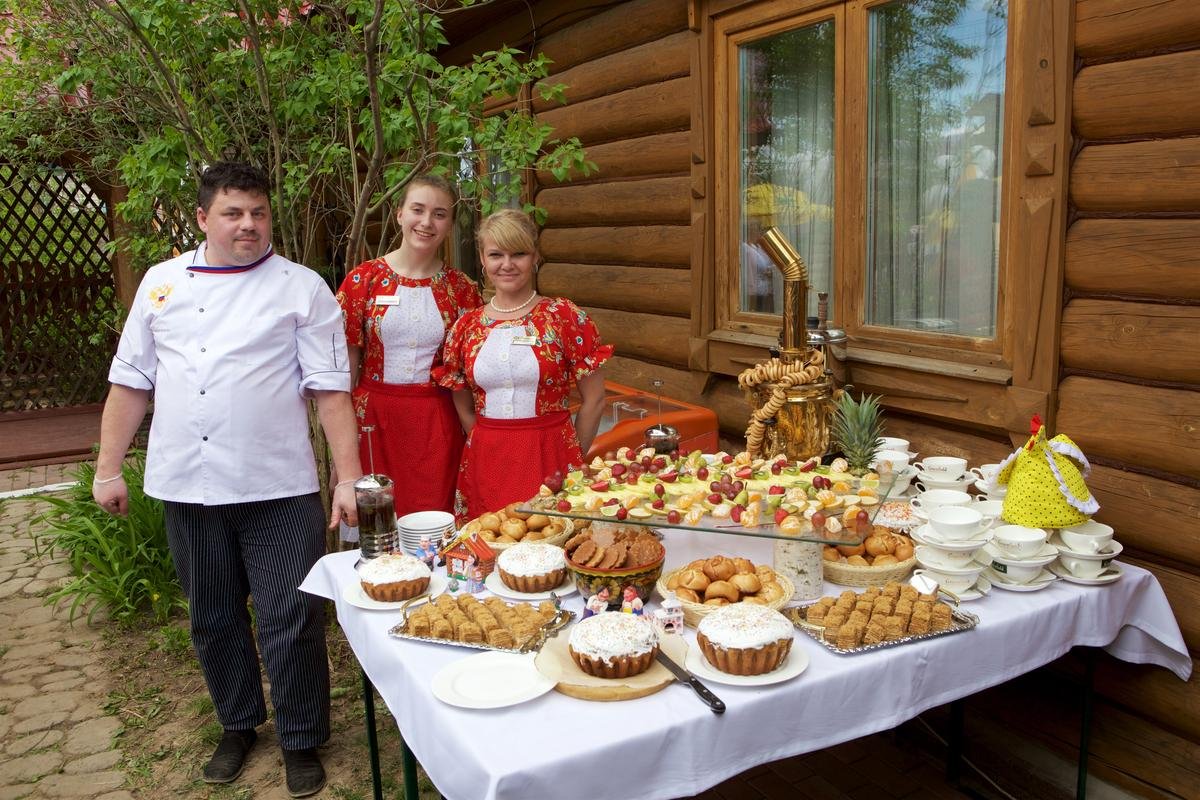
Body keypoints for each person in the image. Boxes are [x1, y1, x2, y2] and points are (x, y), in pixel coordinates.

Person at [92, 162, 362, 798]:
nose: (248, 225)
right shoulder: (160, 284)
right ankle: (238, 724)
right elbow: (130, 383)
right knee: (213, 617)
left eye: (258, 213)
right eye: (233, 213)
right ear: (202, 218)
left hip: (279, 485)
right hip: (188, 485)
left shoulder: (301, 288)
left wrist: (348, 478)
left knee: (291, 616)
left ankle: (300, 736)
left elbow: (330, 391)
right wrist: (108, 467)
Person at [436, 209, 611, 521]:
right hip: (487, 461)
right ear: (482, 258)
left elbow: (595, 398)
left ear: (535, 256)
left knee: (550, 540)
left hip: (550, 455)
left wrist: (572, 456)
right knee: (490, 539)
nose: (507, 264)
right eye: (496, 255)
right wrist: (485, 442)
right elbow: (462, 403)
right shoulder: (466, 327)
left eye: (518, 254)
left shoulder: (564, 317)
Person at [335, 175, 481, 521]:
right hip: (373, 421)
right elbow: (345, 371)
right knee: (377, 525)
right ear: (399, 213)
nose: (427, 222)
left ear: (450, 224)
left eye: (439, 214)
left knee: (434, 523)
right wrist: (343, 459)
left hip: (437, 424)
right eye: (418, 210)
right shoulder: (363, 280)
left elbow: (470, 372)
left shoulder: (462, 290)